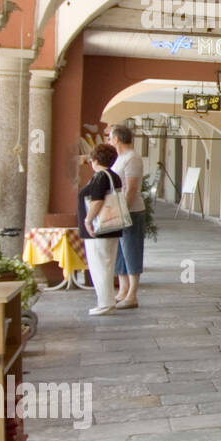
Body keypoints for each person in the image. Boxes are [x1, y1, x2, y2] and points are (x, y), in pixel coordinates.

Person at [78, 143, 126, 317]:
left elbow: (97, 201)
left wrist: (88, 220)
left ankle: (105, 304)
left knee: (99, 266)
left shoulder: (100, 177)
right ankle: (107, 302)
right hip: (112, 227)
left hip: (99, 229)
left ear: (95, 160)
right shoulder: (114, 176)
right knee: (106, 264)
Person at [108, 125, 145, 309]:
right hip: (119, 209)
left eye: (110, 137)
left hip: (131, 211)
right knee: (120, 253)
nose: (108, 140)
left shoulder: (133, 158)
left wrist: (124, 211)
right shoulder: (121, 158)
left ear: (116, 139)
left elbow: (130, 189)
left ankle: (132, 294)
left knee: (131, 250)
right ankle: (123, 290)